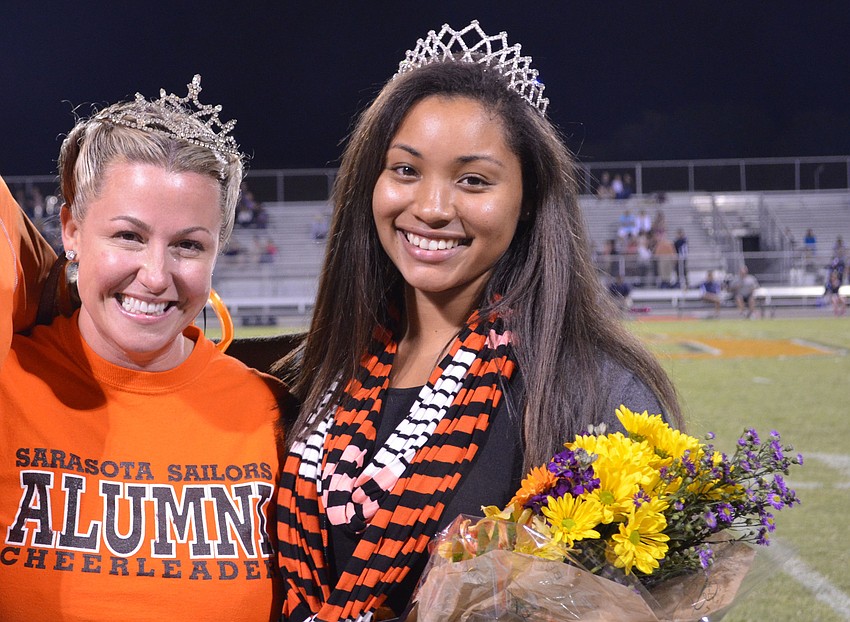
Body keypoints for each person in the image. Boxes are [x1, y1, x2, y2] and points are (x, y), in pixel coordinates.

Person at [272, 21, 682, 622]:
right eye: (405, 170)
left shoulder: (593, 389)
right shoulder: (321, 367)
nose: (432, 209)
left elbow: (648, 598)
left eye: (473, 180)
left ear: (529, 196)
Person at [0, 76, 288, 620]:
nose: (155, 277)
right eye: (128, 236)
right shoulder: (7, 386)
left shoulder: (274, 415)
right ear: (71, 231)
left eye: (188, 245)